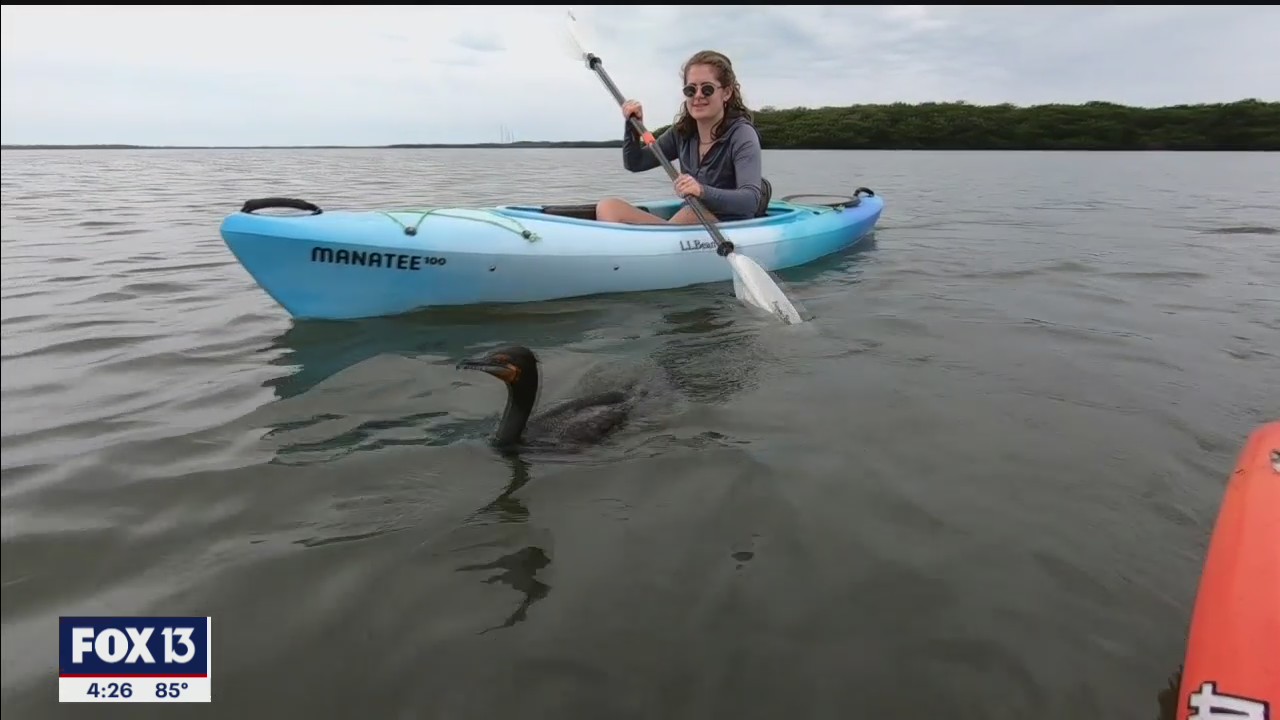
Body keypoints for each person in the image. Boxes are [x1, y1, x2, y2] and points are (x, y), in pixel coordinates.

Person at [595, 50, 765, 225]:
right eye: (690, 90)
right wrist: (632, 125)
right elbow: (635, 163)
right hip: (688, 220)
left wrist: (701, 191)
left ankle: (656, 243)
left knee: (690, 214)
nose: (698, 95)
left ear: (727, 93)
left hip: (727, 225)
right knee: (608, 207)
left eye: (707, 89)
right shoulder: (682, 133)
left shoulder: (742, 134)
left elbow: (750, 200)